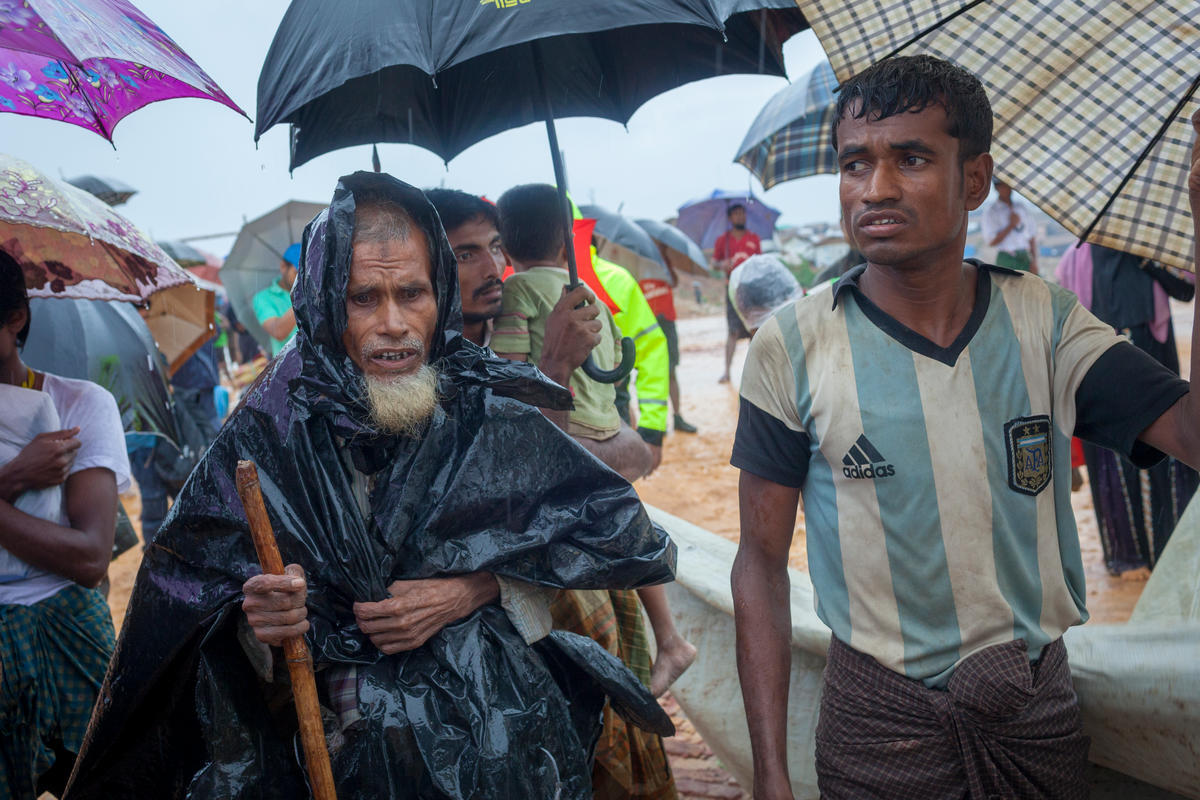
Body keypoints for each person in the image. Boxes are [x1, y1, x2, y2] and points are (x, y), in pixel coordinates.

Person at [65, 173, 677, 799]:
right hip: (335, 746)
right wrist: (259, 619)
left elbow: (610, 535)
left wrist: (470, 588)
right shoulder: (269, 427)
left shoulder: (481, 406)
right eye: (365, 298)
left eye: (412, 293)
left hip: (498, 735)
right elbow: (189, 608)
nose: (393, 323)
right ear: (329, 304)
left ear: (439, 295)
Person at [730, 55, 1200, 800]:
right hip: (880, 733)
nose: (876, 189)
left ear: (974, 179)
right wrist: (770, 773)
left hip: (1033, 718)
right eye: (856, 165)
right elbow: (758, 562)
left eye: (911, 159)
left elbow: (1192, 434)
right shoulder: (791, 345)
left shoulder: (1044, 321)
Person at [0, 249, 130, 799]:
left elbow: (88, 558)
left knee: (120, 776)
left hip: (71, 628)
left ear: (16, 319)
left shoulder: (79, 405)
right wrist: (16, 476)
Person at [1057, 242, 1198, 578]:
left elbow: (1185, 290)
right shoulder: (1076, 259)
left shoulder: (1151, 252)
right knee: (1111, 462)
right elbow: (1068, 322)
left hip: (1153, 368)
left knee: (1160, 455)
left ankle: (1164, 553)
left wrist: (1149, 260)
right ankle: (1127, 555)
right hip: (1104, 372)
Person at [713, 204, 762, 382]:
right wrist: (722, 264)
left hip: (751, 288)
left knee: (754, 329)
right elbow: (714, 263)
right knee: (732, 331)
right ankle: (727, 371)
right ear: (730, 218)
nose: (740, 217)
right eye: (736, 214)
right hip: (732, 288)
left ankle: (754, 373)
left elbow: (760, 261)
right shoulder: (722, 240)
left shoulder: (753, 238)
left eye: (742, 213)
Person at [252, 242, 301, 357]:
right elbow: (278, 331)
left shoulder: (316, 293)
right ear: (283, 267)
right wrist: (303, 297)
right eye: (297, 273)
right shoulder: (263, 298)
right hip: (289, 368)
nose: (301, 278)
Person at [981, 178, 1038, 274]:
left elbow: (1031, 237)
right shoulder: (992, 212)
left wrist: (1034, 261)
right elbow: (991, 242)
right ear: (996, 187)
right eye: (1004, 185)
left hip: (1025, 257)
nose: (1009, 188)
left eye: (1010, 185)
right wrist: (1011, 225)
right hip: (1006, 258)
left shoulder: (1021, 207)